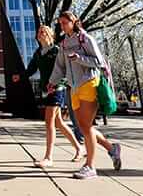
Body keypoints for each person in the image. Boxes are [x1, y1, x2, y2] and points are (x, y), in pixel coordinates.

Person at [47, 11, 122, 180]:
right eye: (60, 23)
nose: (62, 26)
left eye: (65, 22)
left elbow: (99, 61)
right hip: (73, 87)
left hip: (89, 83)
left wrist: (79, 58)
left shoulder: (85, 38)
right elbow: (59, 67)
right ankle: (112, 149)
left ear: (74, 22)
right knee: (82, 127)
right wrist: (52, 82)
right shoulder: (64, 43)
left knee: (85, 126)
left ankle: (90, 166)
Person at [13, 25, 83, 167]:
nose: (41, 33)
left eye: (44, 31)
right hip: (46, 90)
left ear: (50, 35)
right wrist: (19, 77)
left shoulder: (57, 51)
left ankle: (48, 157)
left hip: (57, 89)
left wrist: (58, 85)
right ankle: (79, 148)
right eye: (39, 32)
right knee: (58, 123)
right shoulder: (38, 52)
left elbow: (65, 70)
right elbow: (31, 69)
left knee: (48, 121)